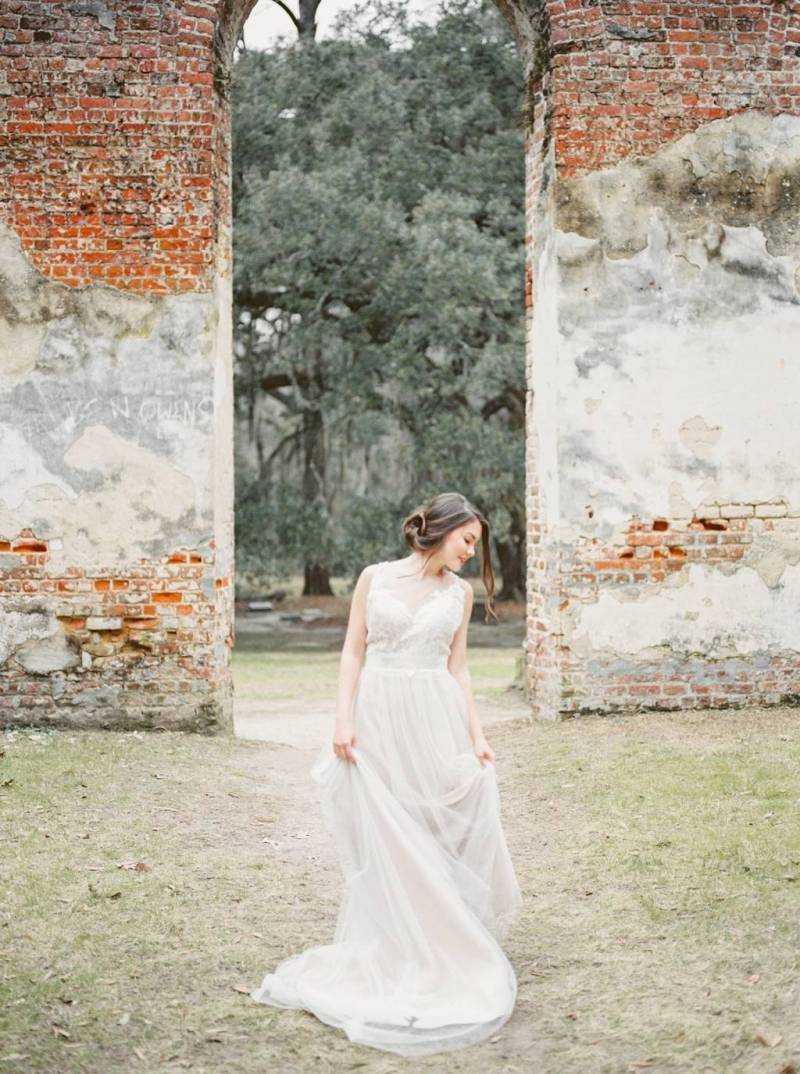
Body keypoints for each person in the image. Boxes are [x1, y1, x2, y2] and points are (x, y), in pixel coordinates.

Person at [250, 491, 522, 1056]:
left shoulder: (460, 594)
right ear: (441, 529)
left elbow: (460, 668)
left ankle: (442, 942)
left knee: (436, 826)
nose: (472, 552)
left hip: (435, 714)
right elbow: (353, 652)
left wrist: (477, 735)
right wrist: (342, 718)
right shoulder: (373, 579)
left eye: (476, 545)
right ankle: (397, 943)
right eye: (467, 539)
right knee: (387, 827)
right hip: (378, 713)